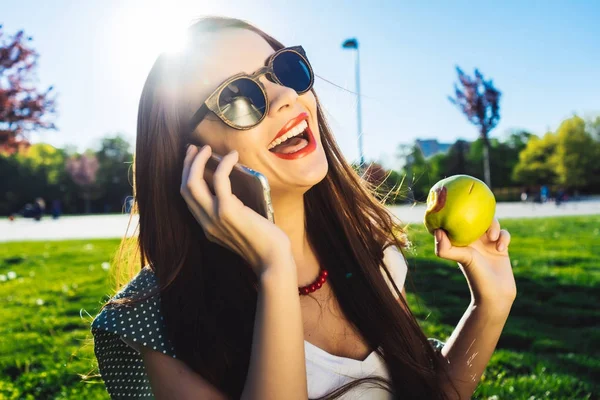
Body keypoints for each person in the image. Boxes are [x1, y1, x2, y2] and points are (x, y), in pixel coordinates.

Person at [91, 17, 515, 400]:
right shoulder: (156, 322)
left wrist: (490, 305)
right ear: (188, 157)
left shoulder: (369, 247)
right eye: (237, 96)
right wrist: (274, 270)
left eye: (283, 69)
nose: (285, 97)